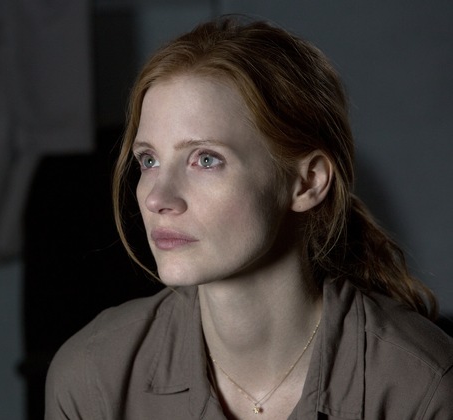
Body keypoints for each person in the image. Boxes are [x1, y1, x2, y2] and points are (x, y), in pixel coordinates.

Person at [44, 15, 453, 419]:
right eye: (149, 160)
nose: (157, 198)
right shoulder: (91, 379)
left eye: (205, 159)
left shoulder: (421, 387)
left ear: (307, 182)